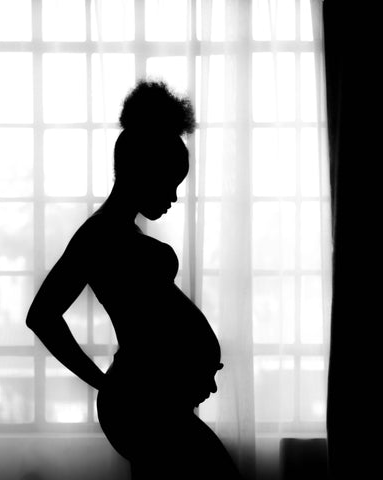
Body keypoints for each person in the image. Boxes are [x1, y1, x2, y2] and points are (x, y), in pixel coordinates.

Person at [26, 80, 242, 479]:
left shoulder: (123, 232)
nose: (175, 196)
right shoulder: (99, 235)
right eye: (170, 181)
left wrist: (190, 369)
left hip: (154, 400)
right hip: (139, 404)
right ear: (142, 170)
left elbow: (153, 323)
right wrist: (105, 382)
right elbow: (42, 315)